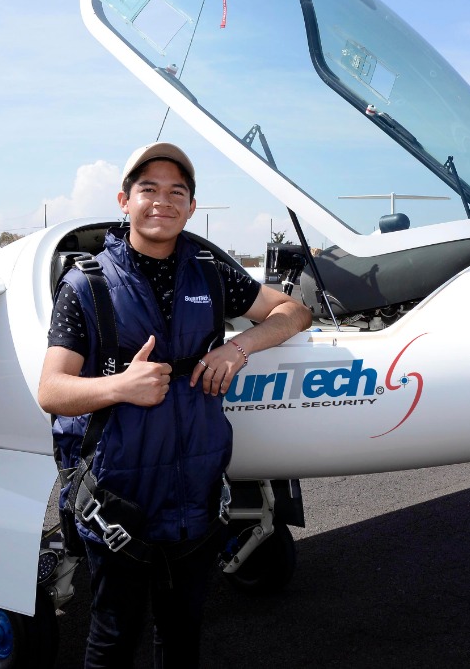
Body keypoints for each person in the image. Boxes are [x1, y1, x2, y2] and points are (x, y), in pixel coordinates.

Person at [38, 142, 311, 668]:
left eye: (176, 192)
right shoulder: (86, 285)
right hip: (121, 501)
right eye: (148, 189)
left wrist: (239, 345)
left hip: (197, 497)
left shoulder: (210, 272)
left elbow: (293, 312)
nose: (162, 201)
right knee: (113, 638)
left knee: (183, 636)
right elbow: (52, 391)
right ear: (124, 200)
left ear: (190, 207)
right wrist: (121, 386)